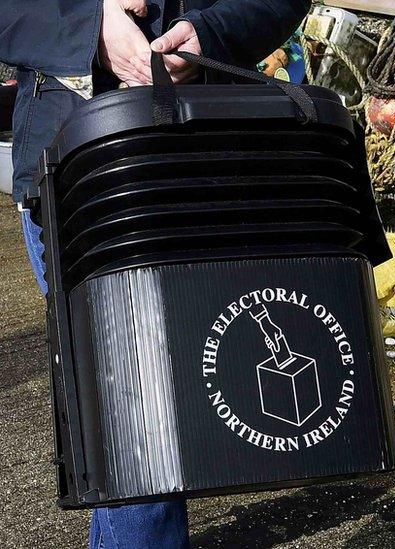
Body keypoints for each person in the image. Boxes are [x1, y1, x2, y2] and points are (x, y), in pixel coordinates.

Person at [0, 0, 311, 547]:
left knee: (156, 400)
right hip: (72, 173)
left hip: (197, 168)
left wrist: (209, 32)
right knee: (136, 400)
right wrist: (90, 24)